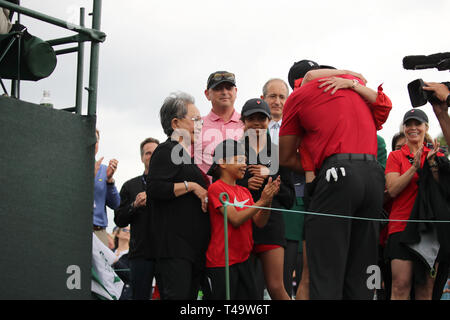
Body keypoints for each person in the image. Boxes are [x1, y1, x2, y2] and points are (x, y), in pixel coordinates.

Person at [279, 59, 392, 299]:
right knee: (362, 269)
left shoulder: (299, 95)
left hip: (337, 174)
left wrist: (317, 167)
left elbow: (286, 157)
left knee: (325, 270)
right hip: (374, 176)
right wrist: (352, 78)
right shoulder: (354, 89)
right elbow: (384, 108)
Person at [146, 92, 210, 300]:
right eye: (195, 120)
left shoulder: (185, 156)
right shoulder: (166, 150)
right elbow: (155, 188)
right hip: (174, 249)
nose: (200, 125)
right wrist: (191, 186)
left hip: (192, 249)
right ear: (175, 123)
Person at [204, 139, 280, 300]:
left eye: (245, 161)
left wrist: (268, 200)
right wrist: (261, 201)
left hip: (244, 260)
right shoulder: (216, 188)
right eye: (240, 160)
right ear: (222, 162)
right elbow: (235, 219)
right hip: (222, 262)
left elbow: (260, 222)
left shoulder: (244, 191)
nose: (245, 165)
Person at [236, 98, 294, 300]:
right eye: (251, 118)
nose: (257, 123)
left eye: (262, 118)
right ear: (243, 121)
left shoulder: (279, 153)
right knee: (244, 290)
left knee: (276, 287)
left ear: (269, 121)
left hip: (271, 227)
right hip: (240, 226)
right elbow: (220, 188)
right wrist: (246, 184)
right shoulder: (230, 150)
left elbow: (290, 198)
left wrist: (269, 182)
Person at [385, 108, 446, 300]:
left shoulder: (438, 155)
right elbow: (393, 189)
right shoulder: (395, 156)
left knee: (425, 288)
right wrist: (414, 168)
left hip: (428, 228)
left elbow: (444, 190)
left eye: (417, 124)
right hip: (401, 226)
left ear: (425, 127)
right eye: (408, 124)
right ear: (403, 128)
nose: (413, 128)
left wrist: (433, 165)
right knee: (400, 286)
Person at [114, 137, 159, 300]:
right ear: (142, 157)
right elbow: (119, 220)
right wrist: (134, 205)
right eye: (148, 153)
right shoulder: (130, 186)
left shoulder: (170, 184)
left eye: (155, 152)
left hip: (166, 252)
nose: (152, 156)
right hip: (140, 254)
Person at [196, 71, 244, 179]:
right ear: (207, 94)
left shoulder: (247, 124)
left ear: (235, 92)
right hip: (204, 193)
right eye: (218, 89)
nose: (224, 92)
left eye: (229, 88)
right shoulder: (196, 125)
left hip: (241, 193)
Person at [93, 129, 121, 247]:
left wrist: (109, 181)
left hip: (99, 231)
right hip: (75, 229)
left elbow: (115, 204)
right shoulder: (70, 166)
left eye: (96, 140)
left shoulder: (104, 170)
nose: (93, 143)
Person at [112, 226, 132, 300]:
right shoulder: (110, 252)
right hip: (108, 291)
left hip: (124, 293)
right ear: (117, 234)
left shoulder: (132, 255)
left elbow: (130, 275)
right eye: (124, 230)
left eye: (130, 231)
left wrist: (116, 262)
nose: (127, 232)